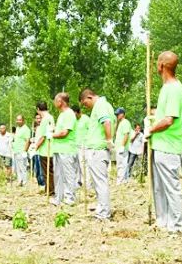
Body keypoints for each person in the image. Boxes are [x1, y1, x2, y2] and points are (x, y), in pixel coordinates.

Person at [145, 51, 182, 233]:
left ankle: (176, 225)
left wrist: (151, 129)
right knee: (159, 187)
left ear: (162, 66)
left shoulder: (174, 89)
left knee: (170, 186)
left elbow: (169, 119)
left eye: (158, 62)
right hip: (160, 145)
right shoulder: (166, 88)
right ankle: (163, 220)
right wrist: (152, 119)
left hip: (169, 146)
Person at [80, 89, 115, 220]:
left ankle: (104, 213)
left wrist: (109, 139)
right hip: (98, 149)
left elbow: (106, 122)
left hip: (97, 149)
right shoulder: (105, 105)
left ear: (89, 97)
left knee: (100, 182)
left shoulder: (100, 105)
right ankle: (102, 209)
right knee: (98, 182)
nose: (86, 106)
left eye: (85, 103)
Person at [50, 92, 78, 206]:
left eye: (55, 100)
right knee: (58, 175)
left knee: (68, 174)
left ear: (60, 101)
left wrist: (51, 135)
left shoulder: (69, 114)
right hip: (58, 149)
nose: (54, 102)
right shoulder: (61, 115)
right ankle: (59, 197)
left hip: (67, 149)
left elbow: (64, 133)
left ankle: (70, 198)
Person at [34, 102, 55, 196]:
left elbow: (44, 136)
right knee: (49, 171)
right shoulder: (49, 117)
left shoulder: (46, 119)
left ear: (38, 109)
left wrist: (36, 146)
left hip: (46, 149)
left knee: (47, 172)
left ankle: (50, 191)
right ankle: (49, 189)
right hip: (47, 149)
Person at [113, 108, 132, 184]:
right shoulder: (121, 123)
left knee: (121, 165)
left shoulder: (125, 122)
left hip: (122, 148)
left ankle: (121, 181)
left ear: (122, 114)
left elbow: (126, 135)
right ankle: (125, 180)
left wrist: (122, 146)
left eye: (118, 114)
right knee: (121, 164)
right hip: (119, 147)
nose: (117, 116)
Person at [11, 114, 30, 187]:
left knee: (23, 168)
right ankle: (20, 181)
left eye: (20, 120)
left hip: (22, 151)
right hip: (16, 151)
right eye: (17, 120)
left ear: (23, 120)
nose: (18, 121)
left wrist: (25, 151)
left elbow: (27, 140)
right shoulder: (17, 128)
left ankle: (25, 182)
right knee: (17, 168)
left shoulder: (26, 129)